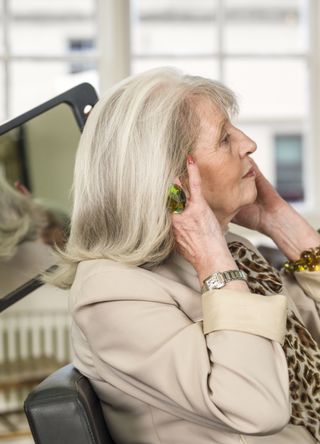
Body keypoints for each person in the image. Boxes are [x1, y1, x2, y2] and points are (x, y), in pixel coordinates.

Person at [51, 68, 320, 443]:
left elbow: (310, 341)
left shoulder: (229, 250)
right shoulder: (111, 293)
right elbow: (258, 407)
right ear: (171, 178)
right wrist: (216, 266)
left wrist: (283, 224)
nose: (248, 144)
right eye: (225, 138)